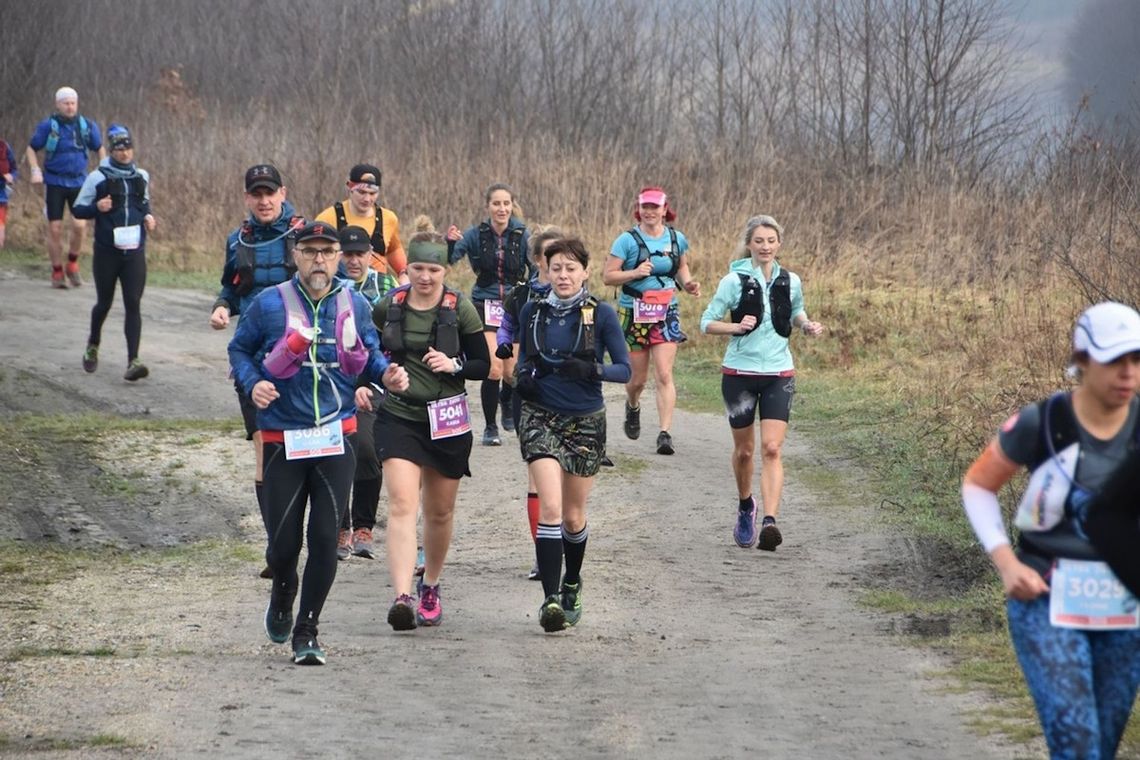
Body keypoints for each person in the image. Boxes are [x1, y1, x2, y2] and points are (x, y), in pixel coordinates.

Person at [961, 301, 1140, 759]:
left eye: (1136, 360)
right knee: (1077, 744)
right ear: (1081, 360)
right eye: (1114, 360)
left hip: (1126, 605)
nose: (1127, 373)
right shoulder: (1043, 421)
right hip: (1044, 596)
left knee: (1102, 743)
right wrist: (1006, 563)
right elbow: (978, 485)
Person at [229, 221, 409, 665]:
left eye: (328, 252)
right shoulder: (269, 304)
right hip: (282, 437)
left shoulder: (354, 303)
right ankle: (283, 587)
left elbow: (369, 354)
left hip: (336, 435)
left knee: (326, 538)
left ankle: (307, 630)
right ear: (296, 255)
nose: (320, 261)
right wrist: (253, 384)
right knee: (283, 546)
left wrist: (386, 374)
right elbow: (239, 351)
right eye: (310, 252)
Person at [371, 225, 490, 630]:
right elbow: (367, 355)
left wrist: (454, 364)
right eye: (418, 268)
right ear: (409, 269)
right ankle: (402, 596)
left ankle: (431, 586)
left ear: (444, 271)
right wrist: (375, 381)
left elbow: (483, 366)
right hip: (399, 415)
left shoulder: (461, 308)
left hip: (447, 420)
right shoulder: (389, 305)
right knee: (402, 505)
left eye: (433, 271)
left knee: (439, 513)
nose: (424, 277)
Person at [515, 237, 631, 632]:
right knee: (549, 507)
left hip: (584, 421)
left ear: (584, 271)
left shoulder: (602, 314)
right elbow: (521, 360)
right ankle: (549, 600)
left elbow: (626, 370)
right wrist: (524, 377)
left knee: (573, 515)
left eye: (570, 268)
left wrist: (593, 370)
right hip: (540, 416)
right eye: (556, 268)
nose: (563, 276)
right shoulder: (533, 310)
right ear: (545, 271)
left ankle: (571, 582)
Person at [699, 215, 824, 552]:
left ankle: (770, 521)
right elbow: (706, 322)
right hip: (739, 374)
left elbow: (796, 311)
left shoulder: (791, 280)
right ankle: (745, 506)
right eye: (759, 241)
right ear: (749, 244)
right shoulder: (733, 281)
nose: (765, 247)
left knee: (771, 448)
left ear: (779, 244)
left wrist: (806, 325)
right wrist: (735, 328)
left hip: (779, 373)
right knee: (745, 451)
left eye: (771, 241)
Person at [209, 163, 305, 578]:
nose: (264, 201)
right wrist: (221, 306)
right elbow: (231, 286)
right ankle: (277, 547)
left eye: (270, 193)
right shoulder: (239, 239)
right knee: (266, 452)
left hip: (301, 356)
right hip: (255, 361)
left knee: (304, 450)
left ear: (283, 193)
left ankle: (325, 531)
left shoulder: (304, 235)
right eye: (256, 194)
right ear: (247, 198)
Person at [602, 186, 700, 456]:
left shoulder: (676, 238)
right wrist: (634, 272)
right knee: (637, 380)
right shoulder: (626, 240)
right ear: (639, 209)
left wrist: (689, 284)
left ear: (665, 209)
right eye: (645, 206)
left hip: (666, 310)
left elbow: (681, 267)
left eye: (655, 207)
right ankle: (632, 406)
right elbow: (608, 276)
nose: (649, 212)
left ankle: (664, 433)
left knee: (665, 373)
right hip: (633, 312)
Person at [496, 225, 561, 580]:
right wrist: (504, 344)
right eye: (550, 256)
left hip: (569, 395)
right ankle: (543, 551)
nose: (557, 265)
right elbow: (506, 325)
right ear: (537, 259)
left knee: (565, 476)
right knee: (538, 473)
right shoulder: (521, 295)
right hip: (531, 390)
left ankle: (567, 537)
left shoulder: (579, 297)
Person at [447, 182, 532, 445]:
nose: (501, 208)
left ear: (512, 205)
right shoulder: (475, 234)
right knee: (493, 369)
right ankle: (490, 427)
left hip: (514, 306)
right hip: (485, 304)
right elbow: (450, 260)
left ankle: (506, 401)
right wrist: (449, 244)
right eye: (496, 203)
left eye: (506, 203)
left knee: (511, 372)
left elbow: (537, 266)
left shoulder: (523, 234)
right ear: (488, 207)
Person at [334, 224, 400, 561]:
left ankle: (364, 525)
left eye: (360, 254)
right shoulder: (330, 287)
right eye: (347, 254)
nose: (353, 261)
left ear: (372, 256)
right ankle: (340, 527)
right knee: (335, 451)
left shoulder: (386, 287)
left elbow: (388, 341)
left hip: (371, 381)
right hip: (334, 382)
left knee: (365, 447)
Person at [72, 124, 156, 381]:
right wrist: (97, 207)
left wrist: (149, 217)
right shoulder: (97, 177)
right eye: (119, 149)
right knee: (104, 303)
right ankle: (93, 344)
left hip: (134, 252)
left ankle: (134, 360)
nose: (124, 153)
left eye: (128, 148)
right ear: (111, 151)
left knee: (133, 303)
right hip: (107, 252)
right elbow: (78, 209)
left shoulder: (141, 176)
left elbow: (144, 204)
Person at [25, 86, 105, 288]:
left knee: (79, 226)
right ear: (58, 104)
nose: (70, 107)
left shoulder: (86, 126)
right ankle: (57, 271)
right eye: (66, 103)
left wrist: (103, 171)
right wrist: (35, 169)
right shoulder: (48, 126)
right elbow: (31, 148)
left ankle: (72, 263)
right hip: (55, 182)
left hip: (79, 182)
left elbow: (100, 148)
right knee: (55, 228)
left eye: (73, 103)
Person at [315, 163, 407, 287]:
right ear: (349, 187)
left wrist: (403, 274)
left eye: (372, 193)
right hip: (340, 288)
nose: (367, 199)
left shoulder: (389, 218)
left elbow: (393, 249)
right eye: (361, 192)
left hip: (377, 290)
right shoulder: (327, 219)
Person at [0, 136, 19, 248]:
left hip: (1, 197)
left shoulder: (5, 147)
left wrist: (11, 176)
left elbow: (15, 170)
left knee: (0, 237)